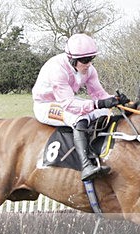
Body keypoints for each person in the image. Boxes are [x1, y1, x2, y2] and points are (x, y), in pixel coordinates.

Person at [32, 33, 129, 182]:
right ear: (71, 59)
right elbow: (68, 104)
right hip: (45, 105)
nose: (89, 63)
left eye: (91, 59)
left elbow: (98, 94)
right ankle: (86, 166)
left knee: (103, 112)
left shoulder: (89, 70)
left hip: (64, 100)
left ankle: (98, 150)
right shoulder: (57, 69)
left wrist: (115, 101)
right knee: (79, 118)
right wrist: (98, 103)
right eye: (84, 60)